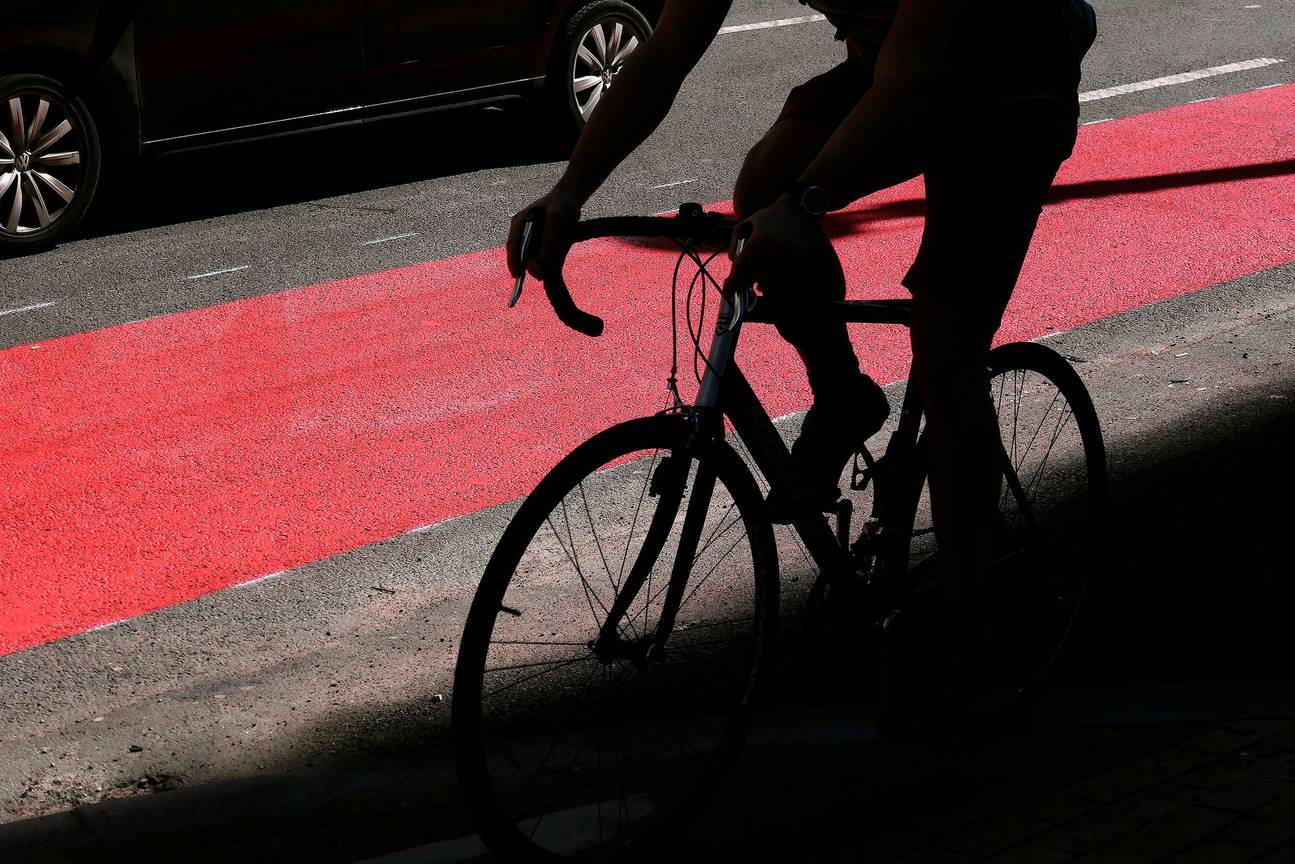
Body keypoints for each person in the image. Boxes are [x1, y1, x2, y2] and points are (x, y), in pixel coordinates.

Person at [508, 0, 1094, 646]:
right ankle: (842, 396)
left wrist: (807, 200)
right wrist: (570, 191)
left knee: (946, 351)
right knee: (762, 183)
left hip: (1011, 84)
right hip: (889, 67)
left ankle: (960, 633)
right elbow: (664, 53)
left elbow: (913, 81)